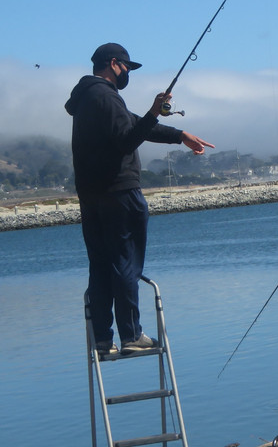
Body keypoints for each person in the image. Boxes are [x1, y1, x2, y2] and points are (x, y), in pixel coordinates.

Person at [65, 43, 213, 356]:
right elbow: (128, 138)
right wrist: (151, 112)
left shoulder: (88, 98)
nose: (128, 74)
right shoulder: (106, 96)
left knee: (101, 266)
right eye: (128, 68)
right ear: (114, 63)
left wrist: (179, 134)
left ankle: (103, 341)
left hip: (91, 197)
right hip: (120, 193)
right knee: (126, 262)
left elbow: (136, 126)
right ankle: (132, 335)